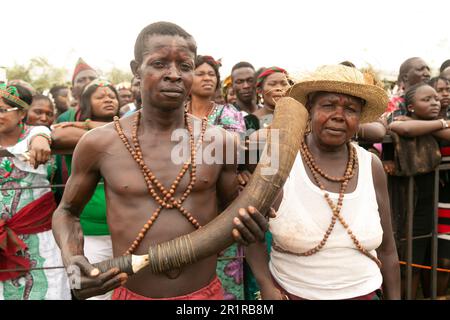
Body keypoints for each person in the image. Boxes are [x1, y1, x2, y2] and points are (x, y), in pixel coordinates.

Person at [52, 21, 269, 300]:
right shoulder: (100, 143)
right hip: (131, 294)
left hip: (206, 296)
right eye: (159, 64)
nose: (174, 75)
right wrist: (72, 259)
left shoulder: (220, 141)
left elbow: (232, 213)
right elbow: (66, 211)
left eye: (185, 66)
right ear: (136, 70)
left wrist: (252, 219)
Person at [246, 64, 401, 300]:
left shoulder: (372, 165)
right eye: (328, 105)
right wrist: (266, 286)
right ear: (309, 108)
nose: (338, 115)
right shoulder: (280, 161)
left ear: (359, 117)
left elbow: (388, 250)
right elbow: (249, 232)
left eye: (350, 109)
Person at [0, 83, 70, 300]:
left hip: (39, 237)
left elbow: (42, 131)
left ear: (21, 113)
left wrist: (40, 138)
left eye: (2, 110)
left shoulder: (37, 136)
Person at [51, 79, 120, 299]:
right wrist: (91, 126)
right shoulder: (69, 128)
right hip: (92, 232)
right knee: (96, 291)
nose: (108, 99)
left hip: (129, 228)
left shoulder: (135, 127)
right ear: (86, 104)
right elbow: (58, 136)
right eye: (100, 96)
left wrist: (88, 126)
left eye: (112, 95)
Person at [187, 54, 245, 300]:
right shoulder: (174, 112)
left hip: (221, 198)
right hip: (182, 200)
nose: (207, 78)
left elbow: (236, 148)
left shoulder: (227, 112)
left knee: (225, 277)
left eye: (212, 74)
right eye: (200, 73)